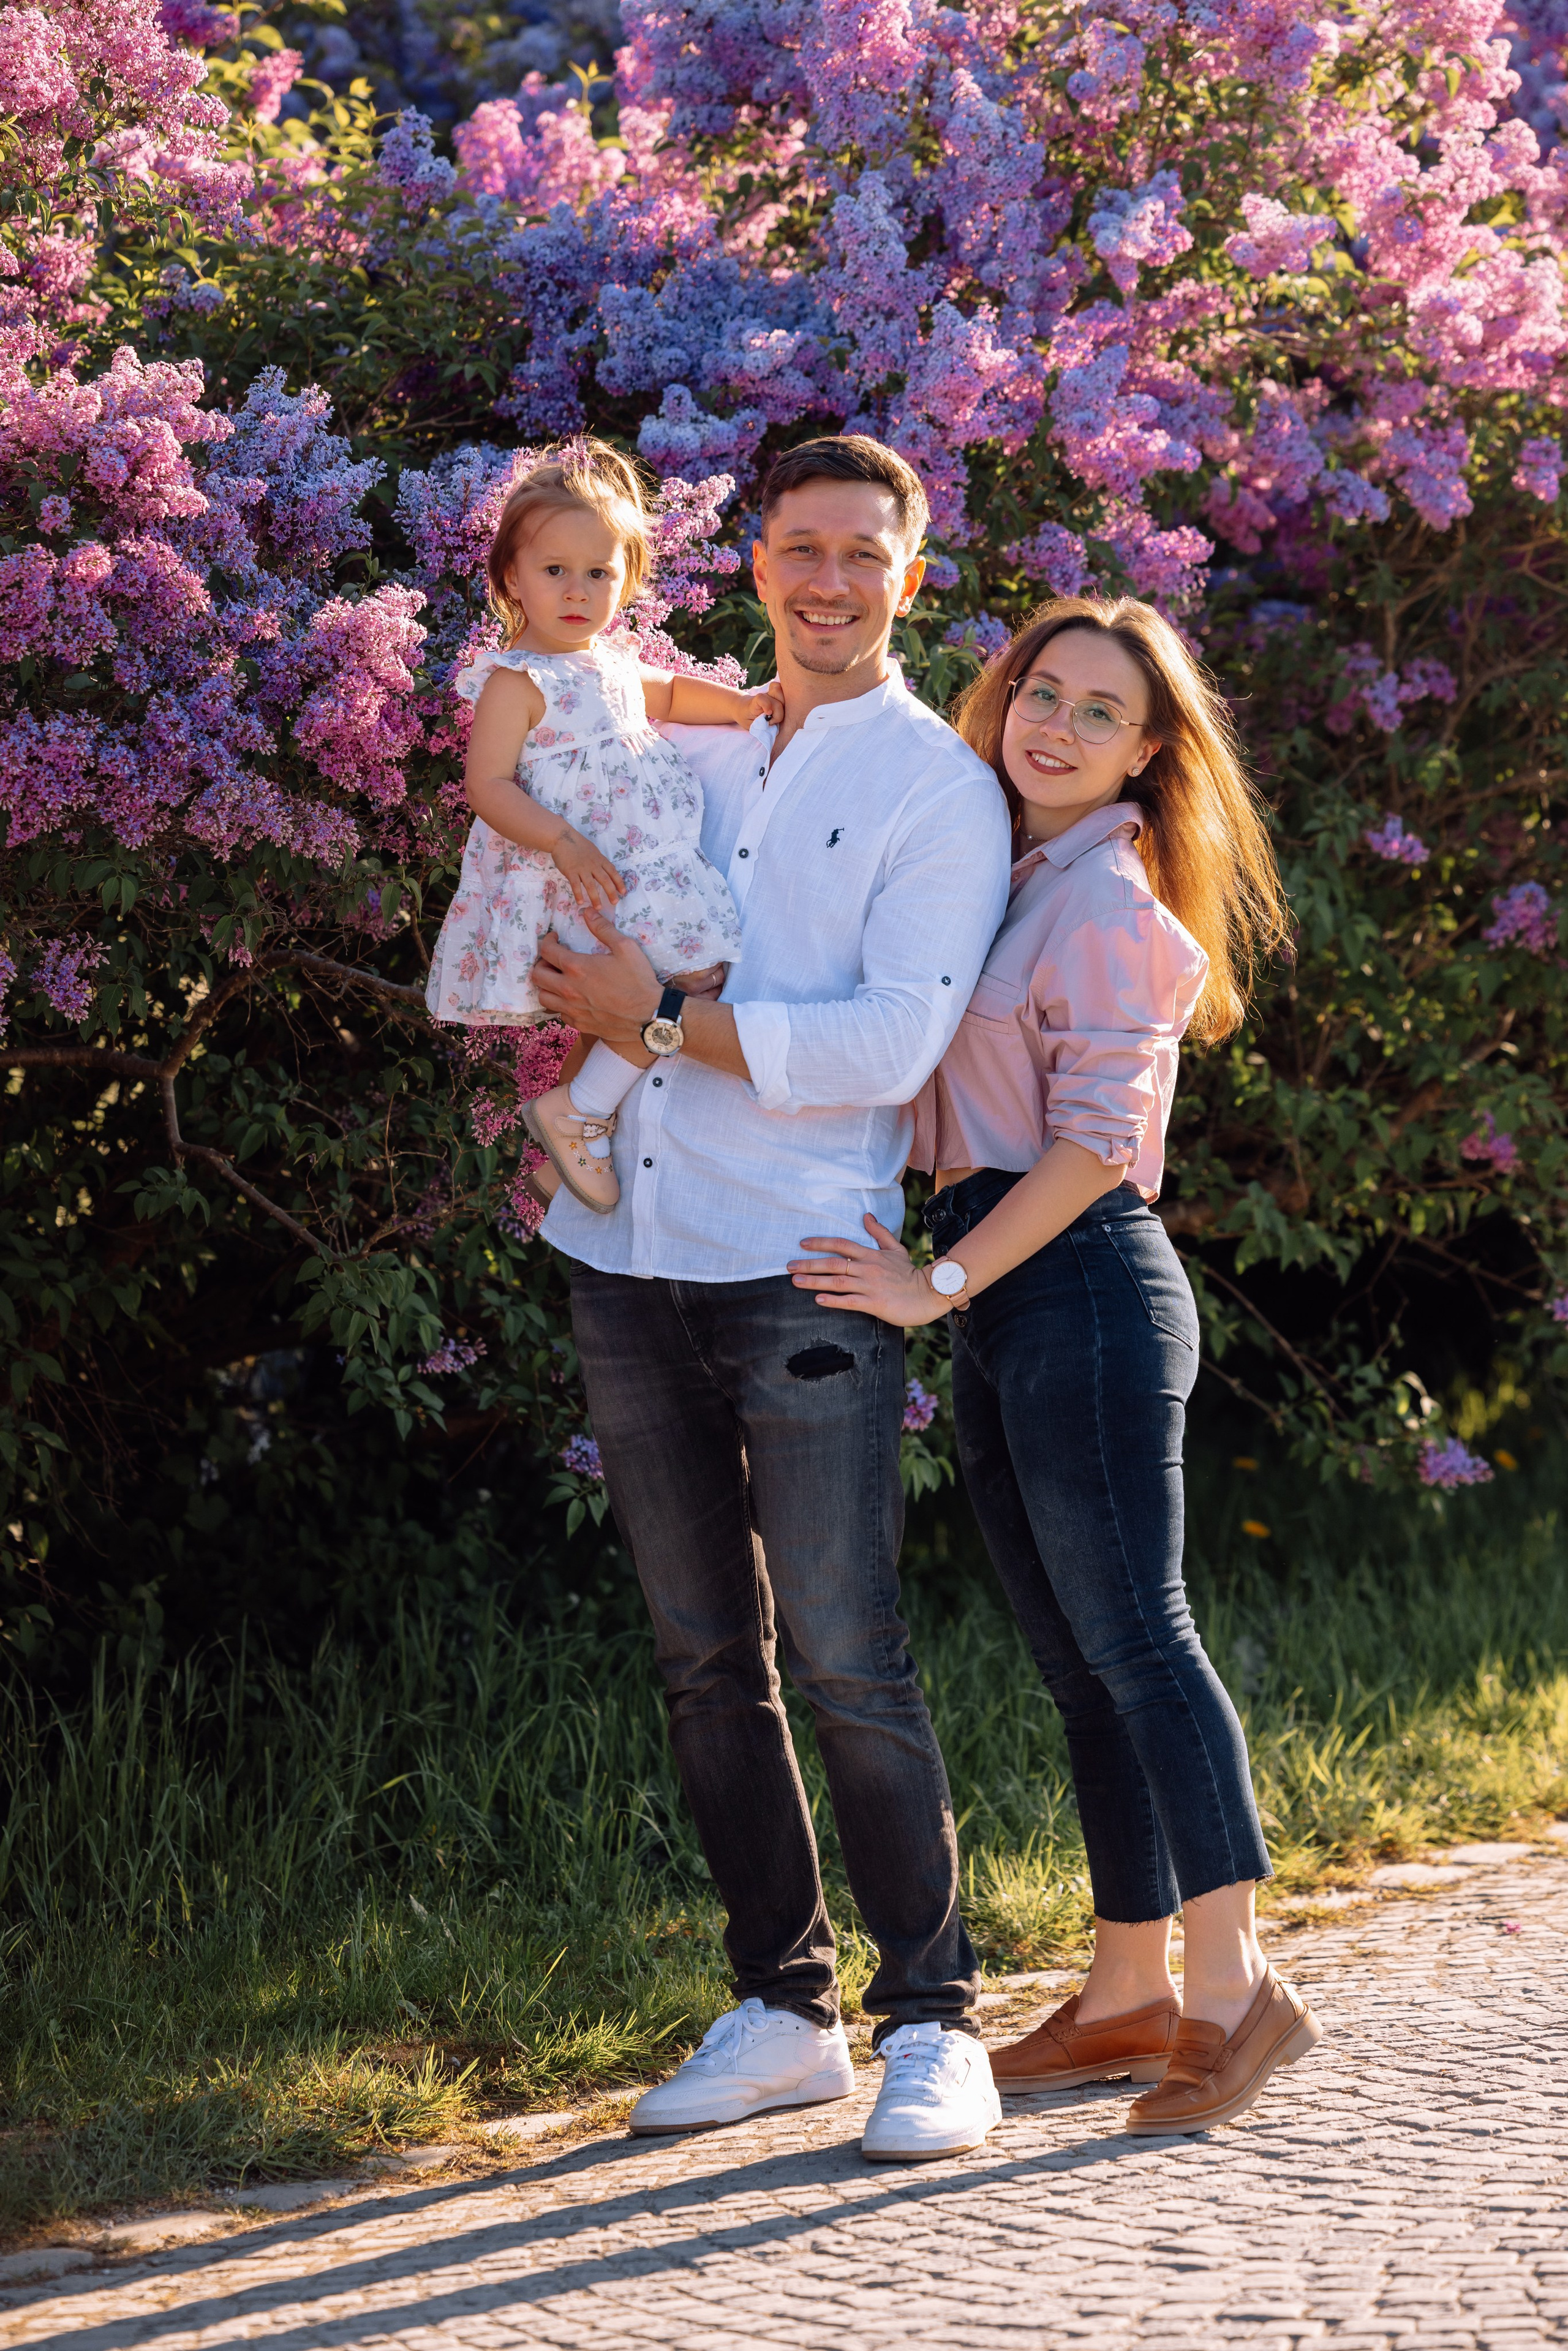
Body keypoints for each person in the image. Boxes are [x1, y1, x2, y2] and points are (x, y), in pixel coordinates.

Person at [529, 435, 1012, 2162]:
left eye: (860, 553)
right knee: (698, 1655)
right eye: (799, 547)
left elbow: (888, 1042)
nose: (827, 580)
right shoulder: (683, 730)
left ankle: (935, 2020)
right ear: (751, 564)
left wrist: (655, 1020)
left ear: (909, 577)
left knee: (846, 1650)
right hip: (624, 1249)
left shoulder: (939, 788)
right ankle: (783, 2009)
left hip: (800, 1261)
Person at [790, 596, 1324, 2137]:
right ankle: (1123, 1992)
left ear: (1147, 751)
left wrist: (935, 1281)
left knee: (1141, 1642)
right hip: (1008, 1290)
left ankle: (1232, 1990)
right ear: (1003, 695)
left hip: (1076, 1281)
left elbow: (1094, 1144)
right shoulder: (1005, 873)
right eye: (1043, 690)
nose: (1058, 724)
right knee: (1080, 1667)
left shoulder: (1106, 899)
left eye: (1101, 711)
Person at [425, 438, 775, 1213]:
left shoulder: (610, 662)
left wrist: (742, 705)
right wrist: (561, 839)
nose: (577, 591)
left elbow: (673, 694)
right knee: (684, 983)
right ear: (511, 578)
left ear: (628, 578)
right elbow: (486, 785)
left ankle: (569, 1137)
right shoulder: (516, 683)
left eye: (599, 573)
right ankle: (578, 1111)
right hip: (583, 880)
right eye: (555, 570)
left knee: (639, 1003)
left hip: (632, 871)